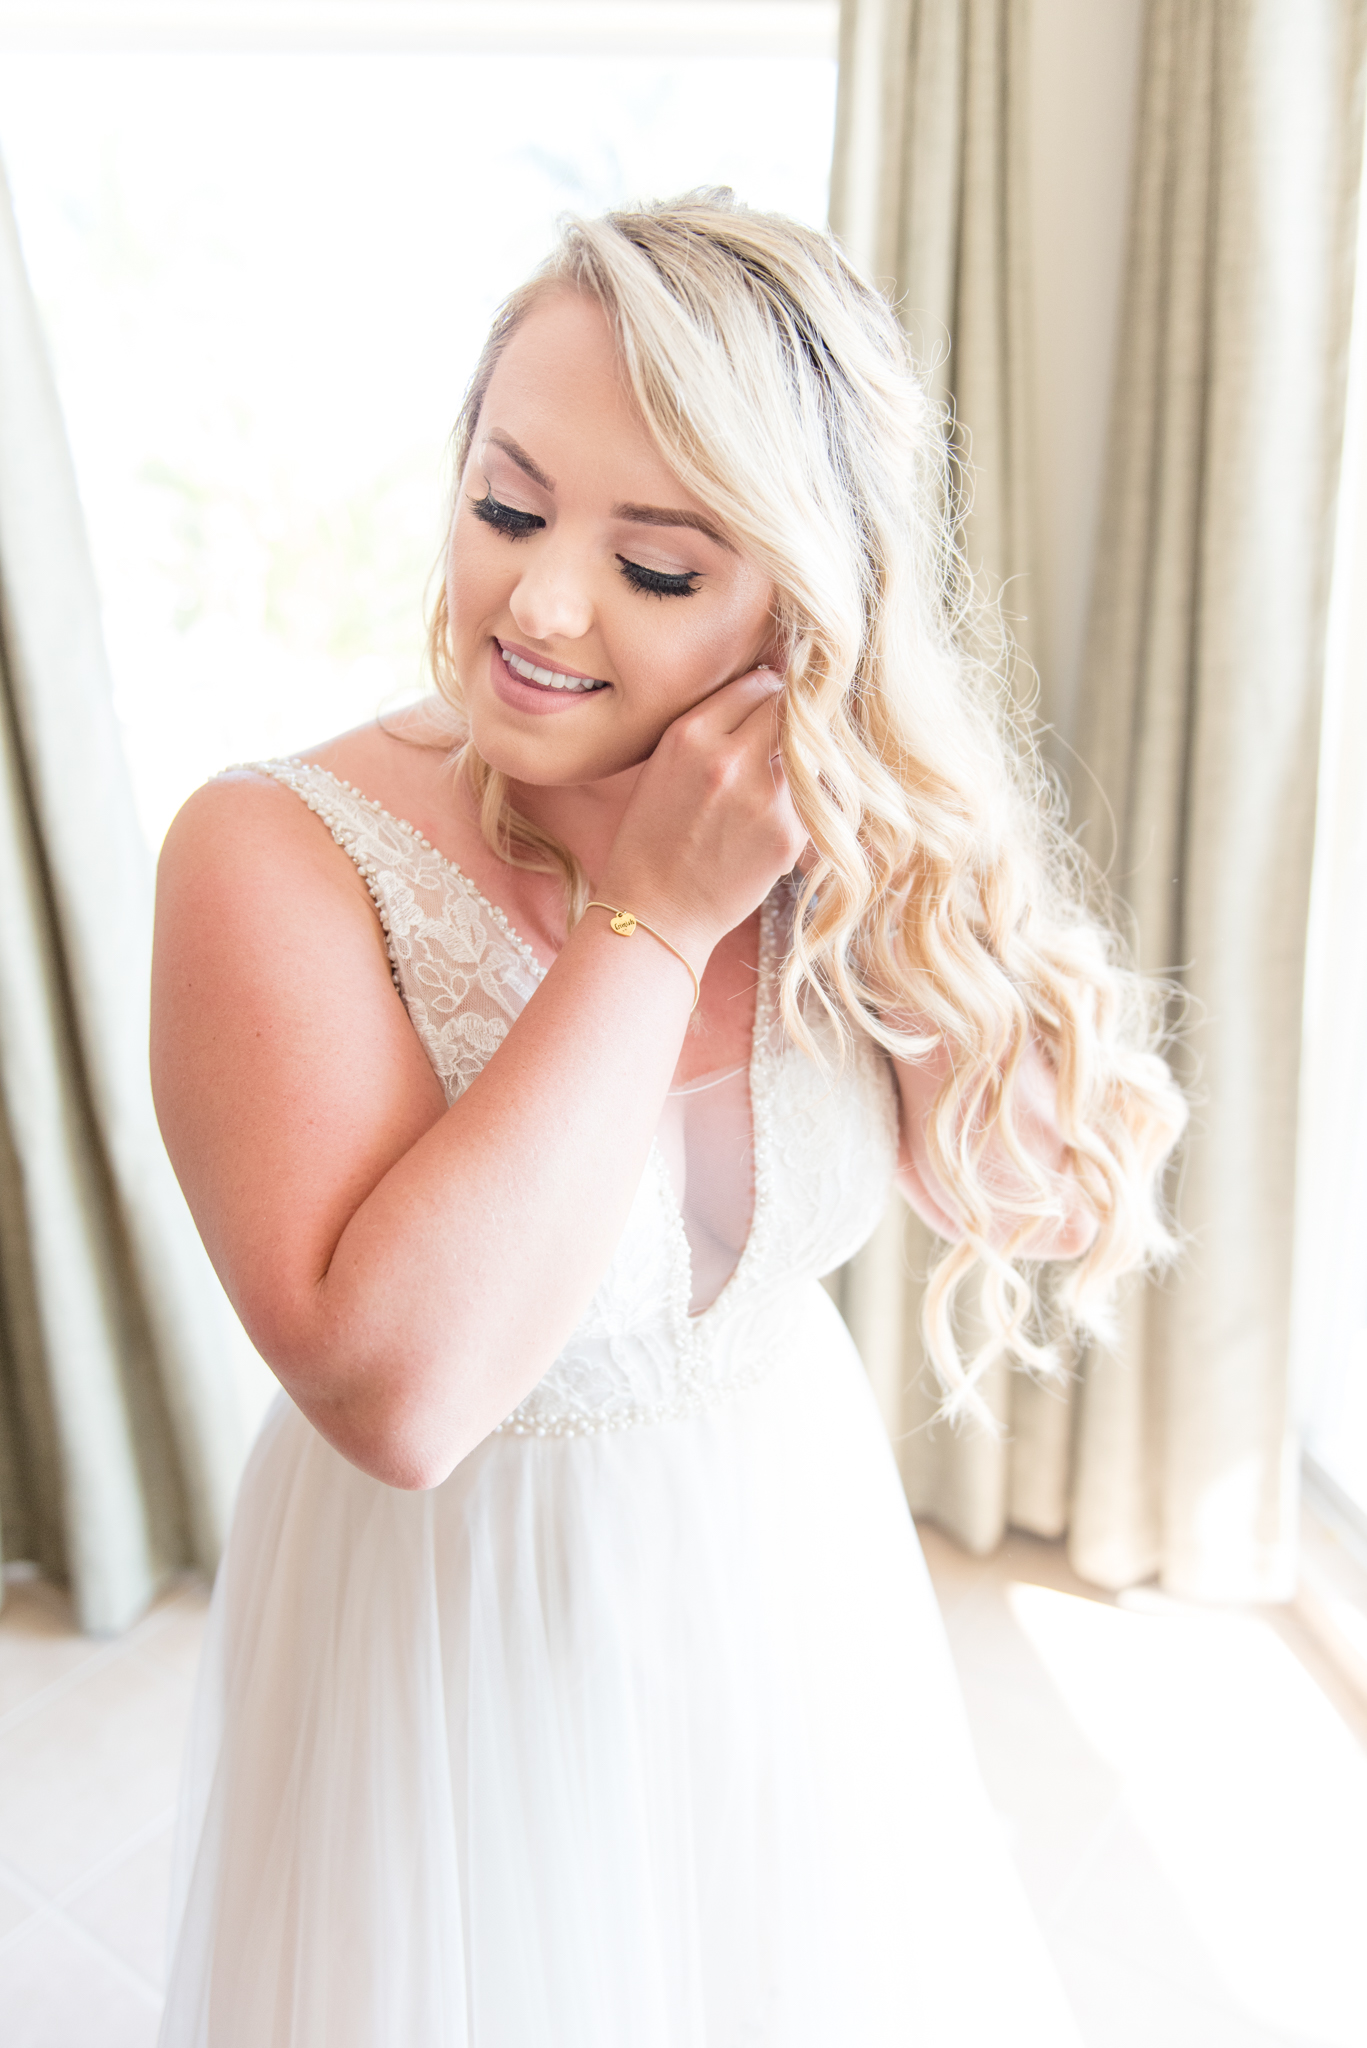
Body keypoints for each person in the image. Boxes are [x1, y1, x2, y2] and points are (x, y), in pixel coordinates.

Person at [151, 192, 1185, 2046]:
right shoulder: (272, 854)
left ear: (795, 598)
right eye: (508, 507)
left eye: (659, 564)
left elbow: (1022, 1198)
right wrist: (662, 916)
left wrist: (900, 839)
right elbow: (399, 1395)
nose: (540, 607)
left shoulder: (798, 829)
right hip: (451, 1649)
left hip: (788, 1573)